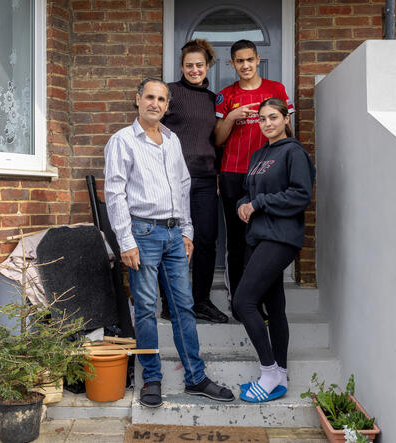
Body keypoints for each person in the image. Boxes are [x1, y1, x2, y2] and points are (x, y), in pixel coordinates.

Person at [104, 78, 235, 408]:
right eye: (150, 97)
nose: (155, 104)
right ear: (137, 100)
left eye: (161, 99)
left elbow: (183, 184)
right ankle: (151, 378)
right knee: (147, 309)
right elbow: (114, 194)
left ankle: (195, 377)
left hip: (175, 235)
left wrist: (188, 231)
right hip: (143, 234)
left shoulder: (172, 140)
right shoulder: (122, 141)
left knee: (183, 307)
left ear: (167, 105)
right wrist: (126, 241)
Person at [234, 98, 315, 403]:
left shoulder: (294, 152)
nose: (267, 123)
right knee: (275, 305)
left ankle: (267, 372)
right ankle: (280, 374)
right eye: (262, 119)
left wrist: (260, 203)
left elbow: (300, 194)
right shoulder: (259, 155)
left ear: (285, 118)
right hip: (258, 235)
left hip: (280, 237)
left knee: (243, 302)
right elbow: (249, 190)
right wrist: (243, 203)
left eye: (273, 117)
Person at [214, 40, 294, 319]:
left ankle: (260, 299)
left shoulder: (276, 90)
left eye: (249, 59)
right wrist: (232, 117)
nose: (245, 65)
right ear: (232, 64)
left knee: (265, 239)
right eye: (239, 61)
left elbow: (288, 129)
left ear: (258, 59)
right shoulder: (226, 95)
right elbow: (218, 139)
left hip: (268, 173)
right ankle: (239, 303)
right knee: (236, 241)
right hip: (234, 173)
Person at [157, 39, 228, 324]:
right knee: (171, 240)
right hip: (172, 180)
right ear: (182, 67)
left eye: (199, 65)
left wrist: (220, 174)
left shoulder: (214, 100)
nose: (194, 69)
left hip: (206, 179)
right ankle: (169, 301)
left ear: (207, 65)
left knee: (206, 241)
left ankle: (201, 301)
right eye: (189, 65)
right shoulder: (169, 93)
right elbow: (150, 126)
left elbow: (218, 141)